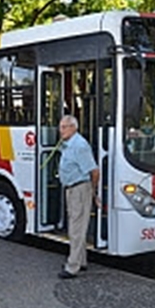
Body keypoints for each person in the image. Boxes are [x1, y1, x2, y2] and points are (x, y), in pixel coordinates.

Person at [57, 115, 100, 279]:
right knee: (76, 225)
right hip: (72, 188)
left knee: (76, 228)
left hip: (80, 189)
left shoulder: (80, 145)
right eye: (61, 126)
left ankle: (72, 266)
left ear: (74, 127)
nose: (61, 130)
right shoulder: (69, 144)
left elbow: (94, 171)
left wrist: (92, 191)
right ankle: (80, 260)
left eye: (64, 127)